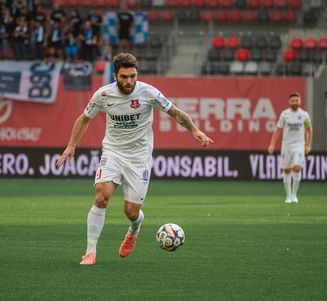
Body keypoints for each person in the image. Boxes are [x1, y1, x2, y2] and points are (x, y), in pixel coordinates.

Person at [57, 53, 213, 265]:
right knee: (101, 196)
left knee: (131, 212)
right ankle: (90, 252)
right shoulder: (103, 95)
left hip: (139, 159)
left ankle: (134, 228)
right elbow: (84, 118)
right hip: (113, 152)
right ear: (115, 76)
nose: (129, 81)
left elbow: (174, 112)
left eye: (133, 76)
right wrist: (71, 145)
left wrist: (195, 131)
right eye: (124, 77)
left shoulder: (148, 92)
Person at [268, 92, 312, 204]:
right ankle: (288, 196)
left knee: (297, 168)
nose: (294, 102)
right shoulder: (285, 115)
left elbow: (309, 130)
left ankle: (294, 194)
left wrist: (307, 145)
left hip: (299, 145)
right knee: (287, 170)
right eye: (292, 100)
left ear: (300, 101)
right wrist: (272, 144)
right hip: (286, 145)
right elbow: (278, 130)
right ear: (289, 102)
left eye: (296, 100)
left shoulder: (304, 115)